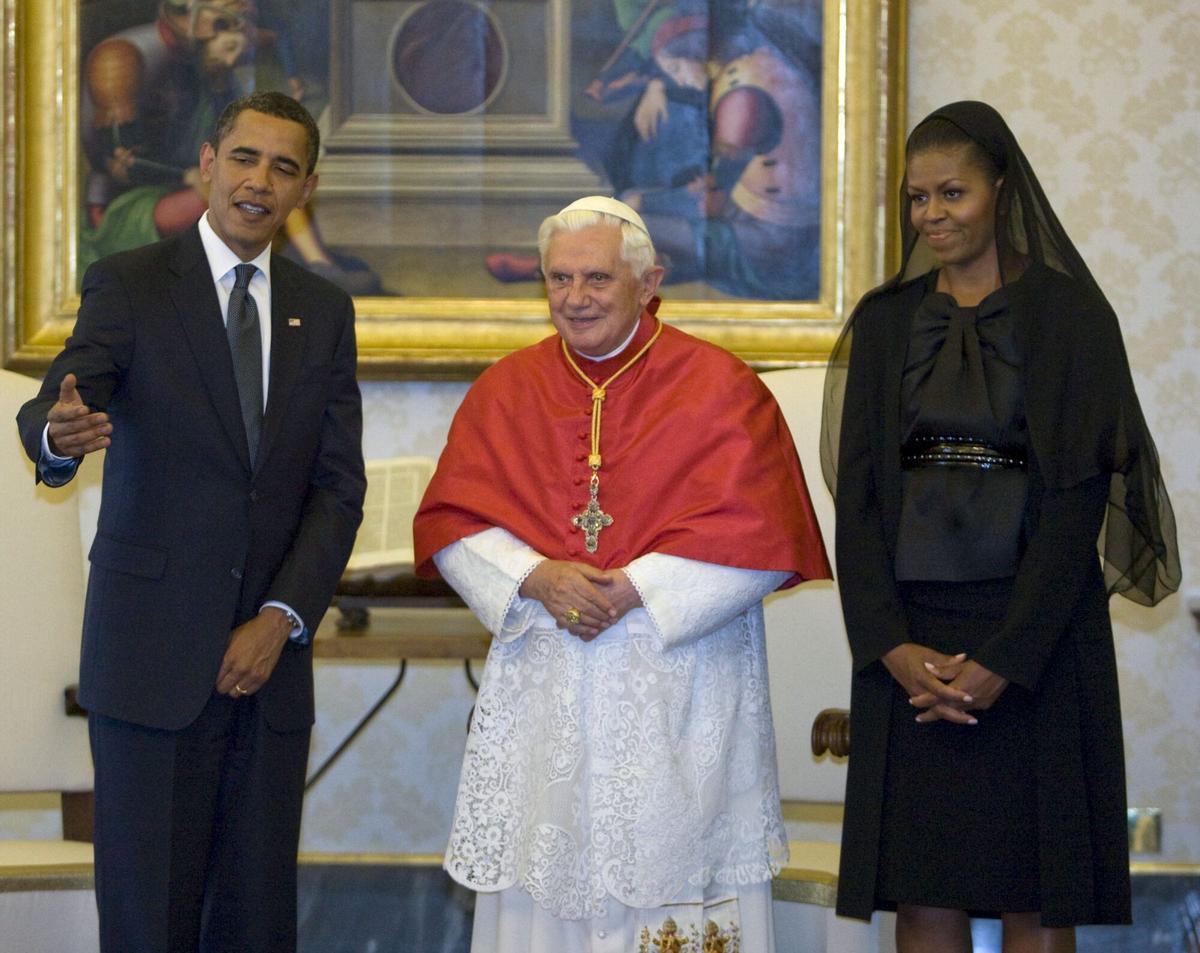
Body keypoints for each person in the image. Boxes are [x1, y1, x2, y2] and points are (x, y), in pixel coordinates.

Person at [414, 195, 831, 951]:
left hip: (680, 682)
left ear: (649, 280)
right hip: (550, 687)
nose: (575, 298)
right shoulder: (506, 389)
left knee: (676, 872)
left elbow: (766, 539)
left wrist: (639, 588)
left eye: (597, 279)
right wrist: (538, 576)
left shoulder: (721, 387)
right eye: (559, 279)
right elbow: (453, 523)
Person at [820, 101, 1179, 952]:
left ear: (1000, 190)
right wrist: (889, 644)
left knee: (1036, 894)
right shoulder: (883, 322)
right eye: (917, 198)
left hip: (1039, 643)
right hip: (910, 642)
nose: (933, 215)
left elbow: (1076, 504)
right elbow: (859, 499)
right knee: (922, 893)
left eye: (953, 193)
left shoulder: (1072, 319)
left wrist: (1005, 661)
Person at [16, 90, 366, 952]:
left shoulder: (323, 311)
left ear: (305, 187)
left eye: (284, 168)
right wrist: (57, 436)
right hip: (150, 664)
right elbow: (62, 397)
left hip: (267, 672)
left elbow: (337, 486)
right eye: (244, 158)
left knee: (253, 920)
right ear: (207, 164)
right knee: (149, 921)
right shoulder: (132, 283)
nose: (260, 181)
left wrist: (281, 619)